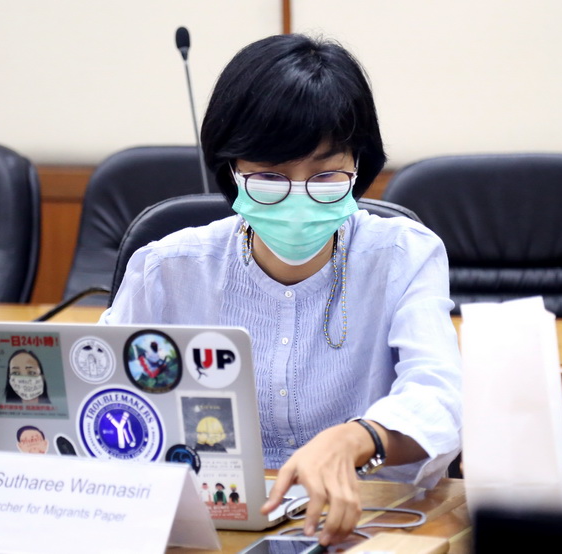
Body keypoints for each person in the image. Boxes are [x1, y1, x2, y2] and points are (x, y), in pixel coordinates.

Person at [101, 33, 461, 546]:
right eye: (270, 177)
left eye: (326, 175)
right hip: (206, 528)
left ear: (359, 167)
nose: (299, 197)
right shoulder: (168, 268)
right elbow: (101, 388)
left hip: (368, 524)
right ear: (232, 170)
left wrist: (359, 438)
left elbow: (441, 395)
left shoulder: (403, 255)